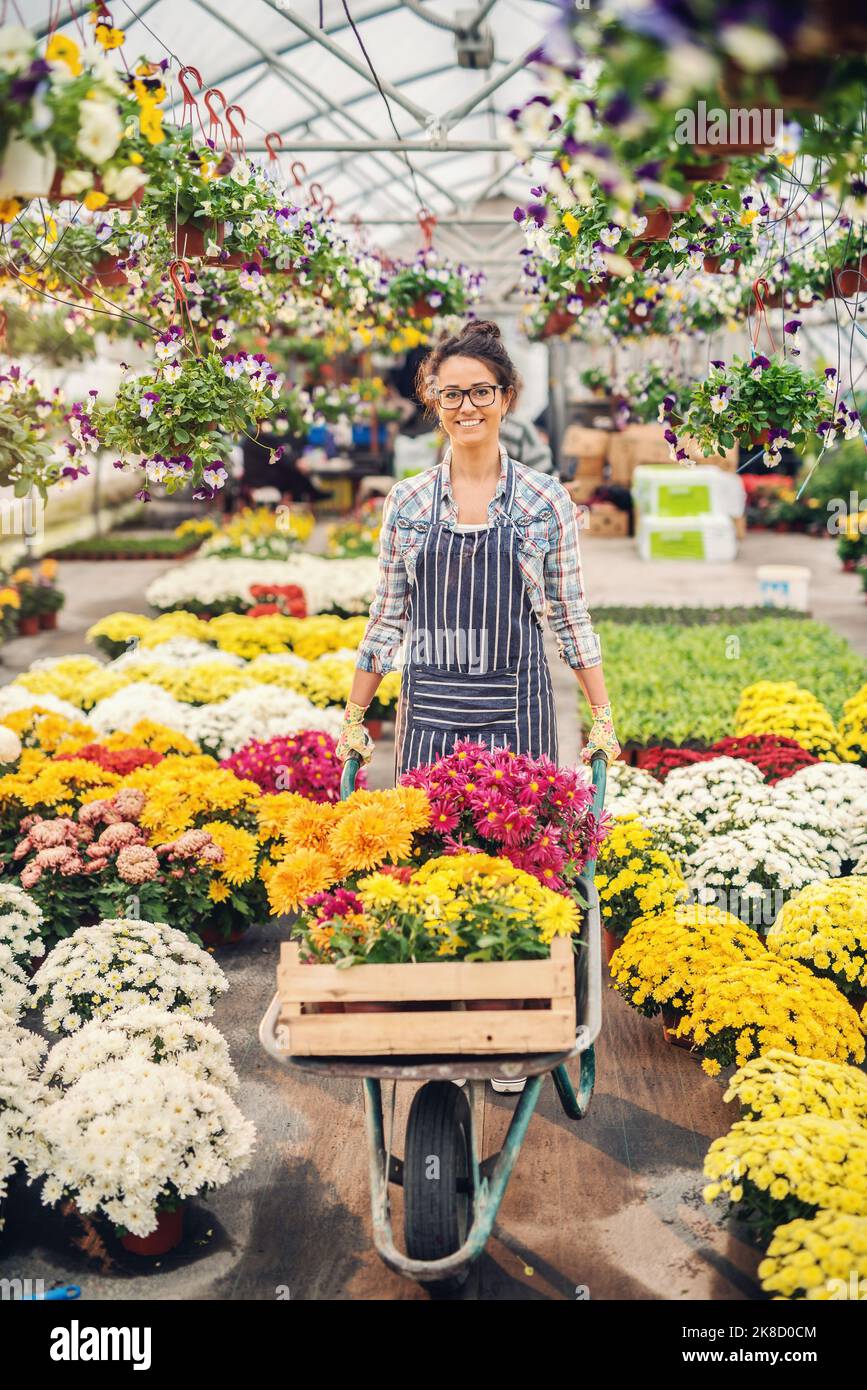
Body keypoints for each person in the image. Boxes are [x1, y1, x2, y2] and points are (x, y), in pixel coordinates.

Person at [335, 321, 619, 1092]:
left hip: (519, 707)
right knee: (429, 865)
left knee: (517, 869)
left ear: (506, 399)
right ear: (431, 399)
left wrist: (600, 715)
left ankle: (510, 1030)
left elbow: (569, 614)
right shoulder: (407, 502)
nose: (466, 406)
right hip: (429, 709)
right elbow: (387, 616)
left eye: (481, 392)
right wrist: (354, 716)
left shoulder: (540, 502)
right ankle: (445, 1022)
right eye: (451, 392)